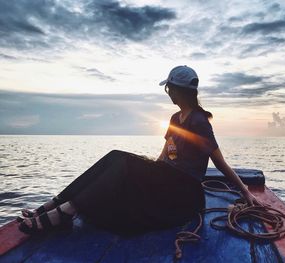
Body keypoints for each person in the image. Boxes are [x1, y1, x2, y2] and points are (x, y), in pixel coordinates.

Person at [18, 65, 259, 235]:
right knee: (116, 157)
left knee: (123, 162)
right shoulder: (175, 118)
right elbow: (166, 154)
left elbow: (219, 161)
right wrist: (147, 172)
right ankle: (55, 204)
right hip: (166, 179)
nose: (169, 93)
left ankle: (66, 212)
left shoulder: (199, 122)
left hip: (184, 194)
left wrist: (246, 192)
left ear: (178, 90)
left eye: (170, 89)